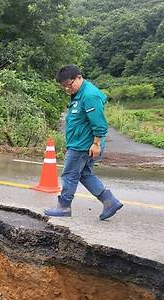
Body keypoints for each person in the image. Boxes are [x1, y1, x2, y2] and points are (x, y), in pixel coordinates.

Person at [45, 65, 123, 220]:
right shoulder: (79, 94)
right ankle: (110, 201)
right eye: (64, 86)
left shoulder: (89, 96)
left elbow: (99, 123)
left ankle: (64, 207)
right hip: (81, 143)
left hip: (83, 145)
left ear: (79, 77)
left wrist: (96, 143)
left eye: (69, 84)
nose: (67, 89)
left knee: (69, 174)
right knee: (85, 174)